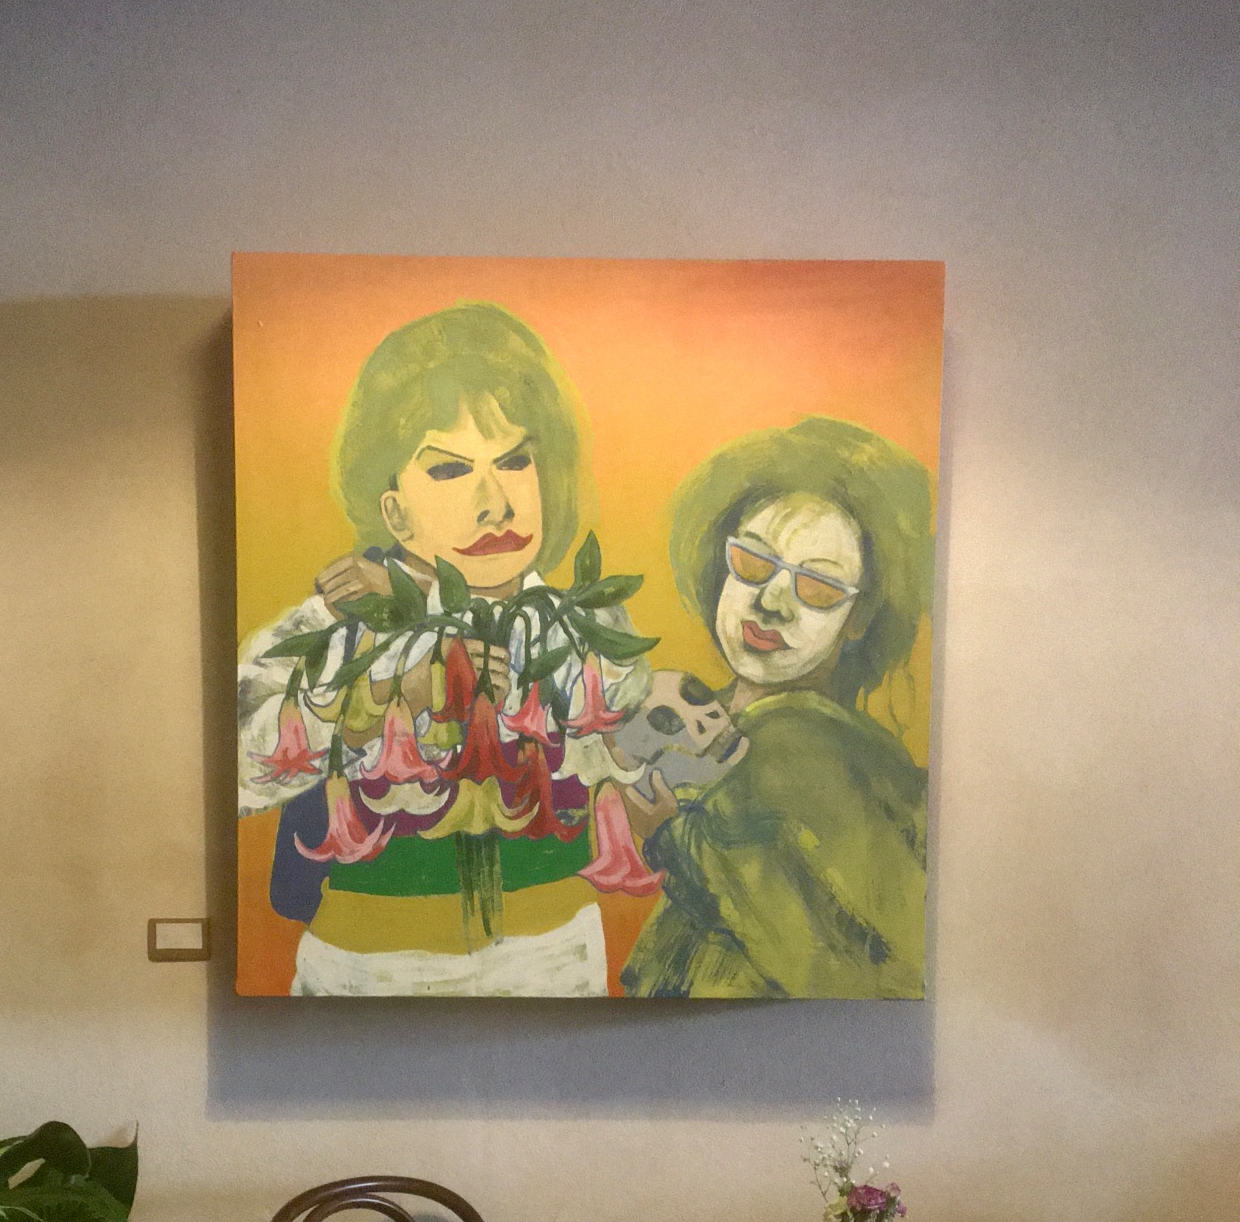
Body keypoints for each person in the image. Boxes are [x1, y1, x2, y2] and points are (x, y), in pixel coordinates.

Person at [237, 301, 650, 997]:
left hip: (555, 954)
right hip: (366, 964)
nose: (496, 503)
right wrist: (384, 699)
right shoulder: (338, 620)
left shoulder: (586, 625)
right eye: (451, 471)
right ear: (393, 510)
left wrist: (437, 615)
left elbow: (619, 735)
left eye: (515, 461)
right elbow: (238, 771)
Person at [620, 415, 932, 999]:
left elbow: (853, 969)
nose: (771, 603)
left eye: (818, 588)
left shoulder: (803, 745)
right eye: (754, 563)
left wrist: (669, 838)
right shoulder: (707, 718)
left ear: (858, 620)